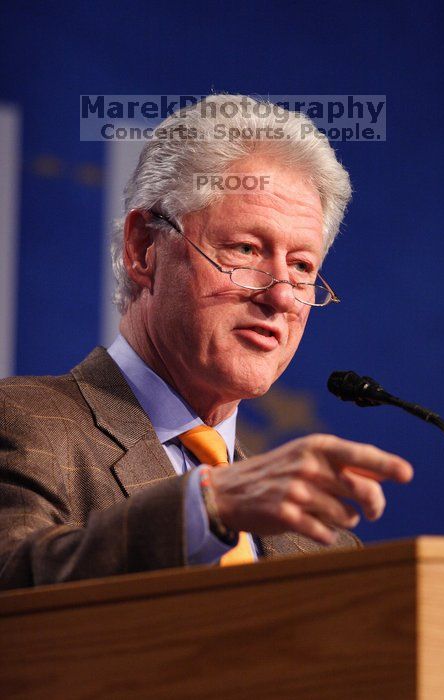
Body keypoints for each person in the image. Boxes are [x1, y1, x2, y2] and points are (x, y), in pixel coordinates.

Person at [0, 95, 413, 589]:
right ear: (143, 249)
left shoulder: (320, 545)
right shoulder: (23, 424)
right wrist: (207, 508)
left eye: (303, 266)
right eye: (246, 249)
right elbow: (18, 581)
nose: (282, 295)